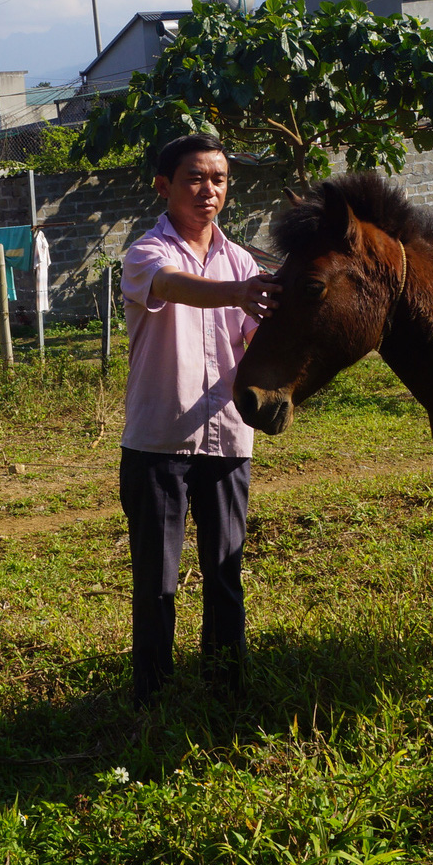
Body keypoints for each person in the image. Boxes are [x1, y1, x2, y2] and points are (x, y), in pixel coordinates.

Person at [118, 132, 276, 705]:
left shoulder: (243, 261)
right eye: (195, 178)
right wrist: (239, 293)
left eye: (219, 179)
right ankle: (153, 699)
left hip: (229, 439)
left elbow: (260, 343)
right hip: (159, 441)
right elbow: (172, 288)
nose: (209, 190)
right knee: (158, 582)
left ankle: (225, 691)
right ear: (164, 187)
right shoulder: (146, 254)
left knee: (225, 574)